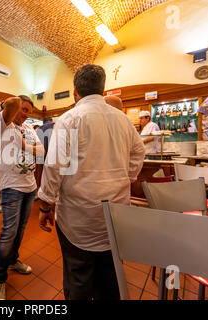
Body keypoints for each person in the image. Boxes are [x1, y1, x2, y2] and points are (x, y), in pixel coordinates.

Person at [38, 64, 145, 300]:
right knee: (111, 274)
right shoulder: (123, 120)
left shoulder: (69, 119)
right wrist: (125, 178)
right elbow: (139, 152)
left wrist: (45, 204)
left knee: (79, 276)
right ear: (102, 88)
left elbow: (54, 165)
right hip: (115, 211)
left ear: (75, 91)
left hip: (79, 215)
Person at [0, 95, 45, 300]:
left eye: (28, 111)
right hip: (11, 187)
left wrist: (23, 146)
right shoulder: (3, 124)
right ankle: (0, 279)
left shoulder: (30, 129)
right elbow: (13, 103)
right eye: (23, 109)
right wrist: (10, 106)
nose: (25, 114)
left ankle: (13, 260)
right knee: (8, 233)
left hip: (30, 187)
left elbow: (41, 152)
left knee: (20, 230)